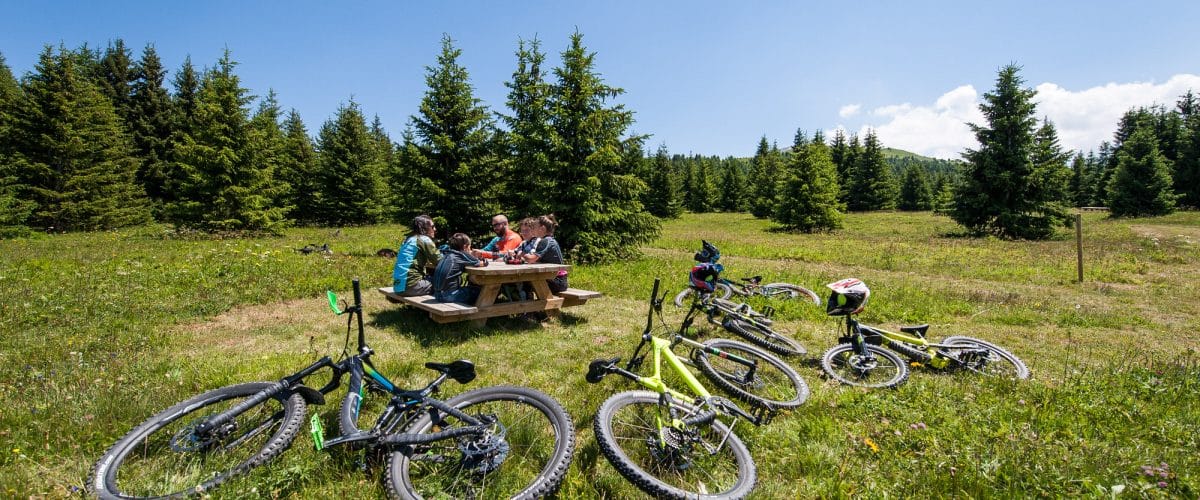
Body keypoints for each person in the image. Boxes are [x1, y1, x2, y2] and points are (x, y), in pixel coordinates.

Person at [392, 215, 442, 296]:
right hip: (410, 286)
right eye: (433, 226)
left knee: (432, 278)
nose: (435, 229)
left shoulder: (409, 239)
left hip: (398, 286)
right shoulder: (424, 239)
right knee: (443, 284)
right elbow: (440, 262)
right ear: (425, 227)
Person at [522, 215, 568, 293]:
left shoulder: (546, 241)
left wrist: (523, 254)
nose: (532, 230)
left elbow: (531, 259)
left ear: (542, 228)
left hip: (557, 281)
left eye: (534, 227)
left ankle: (525, 303)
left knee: (524, 280)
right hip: (558, 280)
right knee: (526, 280)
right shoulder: (549, 240)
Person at [433, 233, 483, 304]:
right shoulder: (461, 254)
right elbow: (481, 263)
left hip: (437, 295)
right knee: (479, 291)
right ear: (465, 247)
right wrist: (481, 258)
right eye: (469, 247)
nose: (470, 249)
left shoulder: (447, 253)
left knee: (468, 288)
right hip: (449, 296)